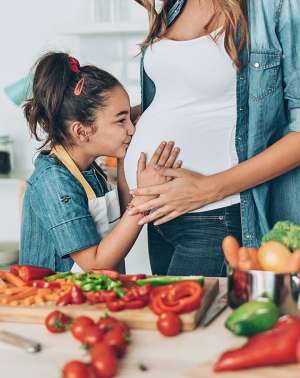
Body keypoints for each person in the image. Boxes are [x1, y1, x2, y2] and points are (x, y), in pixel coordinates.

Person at [124, 0, 300, 276]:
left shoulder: (281, 5)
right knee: (172, 318)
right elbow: (188, 97)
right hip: (159, 216)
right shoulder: (175, 4)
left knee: (196, 318)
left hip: (217, 215)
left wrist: (208, 188)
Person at [19, 51, 181, 272]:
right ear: (82, 131)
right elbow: (95, 263)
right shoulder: (54, 182)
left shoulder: (89, 169)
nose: (131, 128)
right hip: (55, 301)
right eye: (121, 120)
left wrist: (127, 160)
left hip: (88, 298)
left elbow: (123, 216)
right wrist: (144, 201)